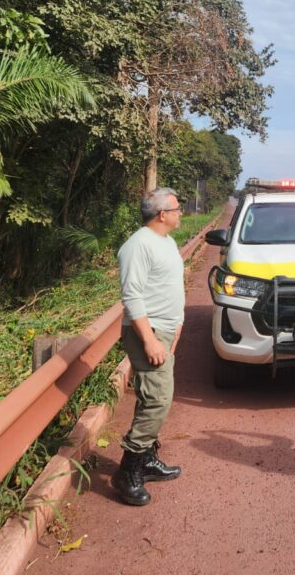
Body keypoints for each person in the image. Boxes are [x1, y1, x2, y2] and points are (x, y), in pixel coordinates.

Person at [111, 187, 185, 506]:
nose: (181, 212)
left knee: (152, 397)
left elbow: (171, 288)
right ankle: (127, 470)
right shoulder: (138, 245)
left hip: (165, 331)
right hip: (148, 332)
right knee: (158, 400)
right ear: (162, 214)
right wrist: (151, 338)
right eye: (177, 208)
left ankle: (148, 459)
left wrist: (176, 331)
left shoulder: (166, 242)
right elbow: (132, 296)